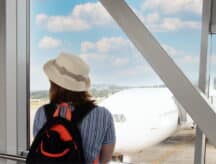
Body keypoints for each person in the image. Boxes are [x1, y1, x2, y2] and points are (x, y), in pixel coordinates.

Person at [33, 52, 116, 164]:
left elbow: (40, 150)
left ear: (53, 82)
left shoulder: (42, 112)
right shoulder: (103, 115)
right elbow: (105, 158)